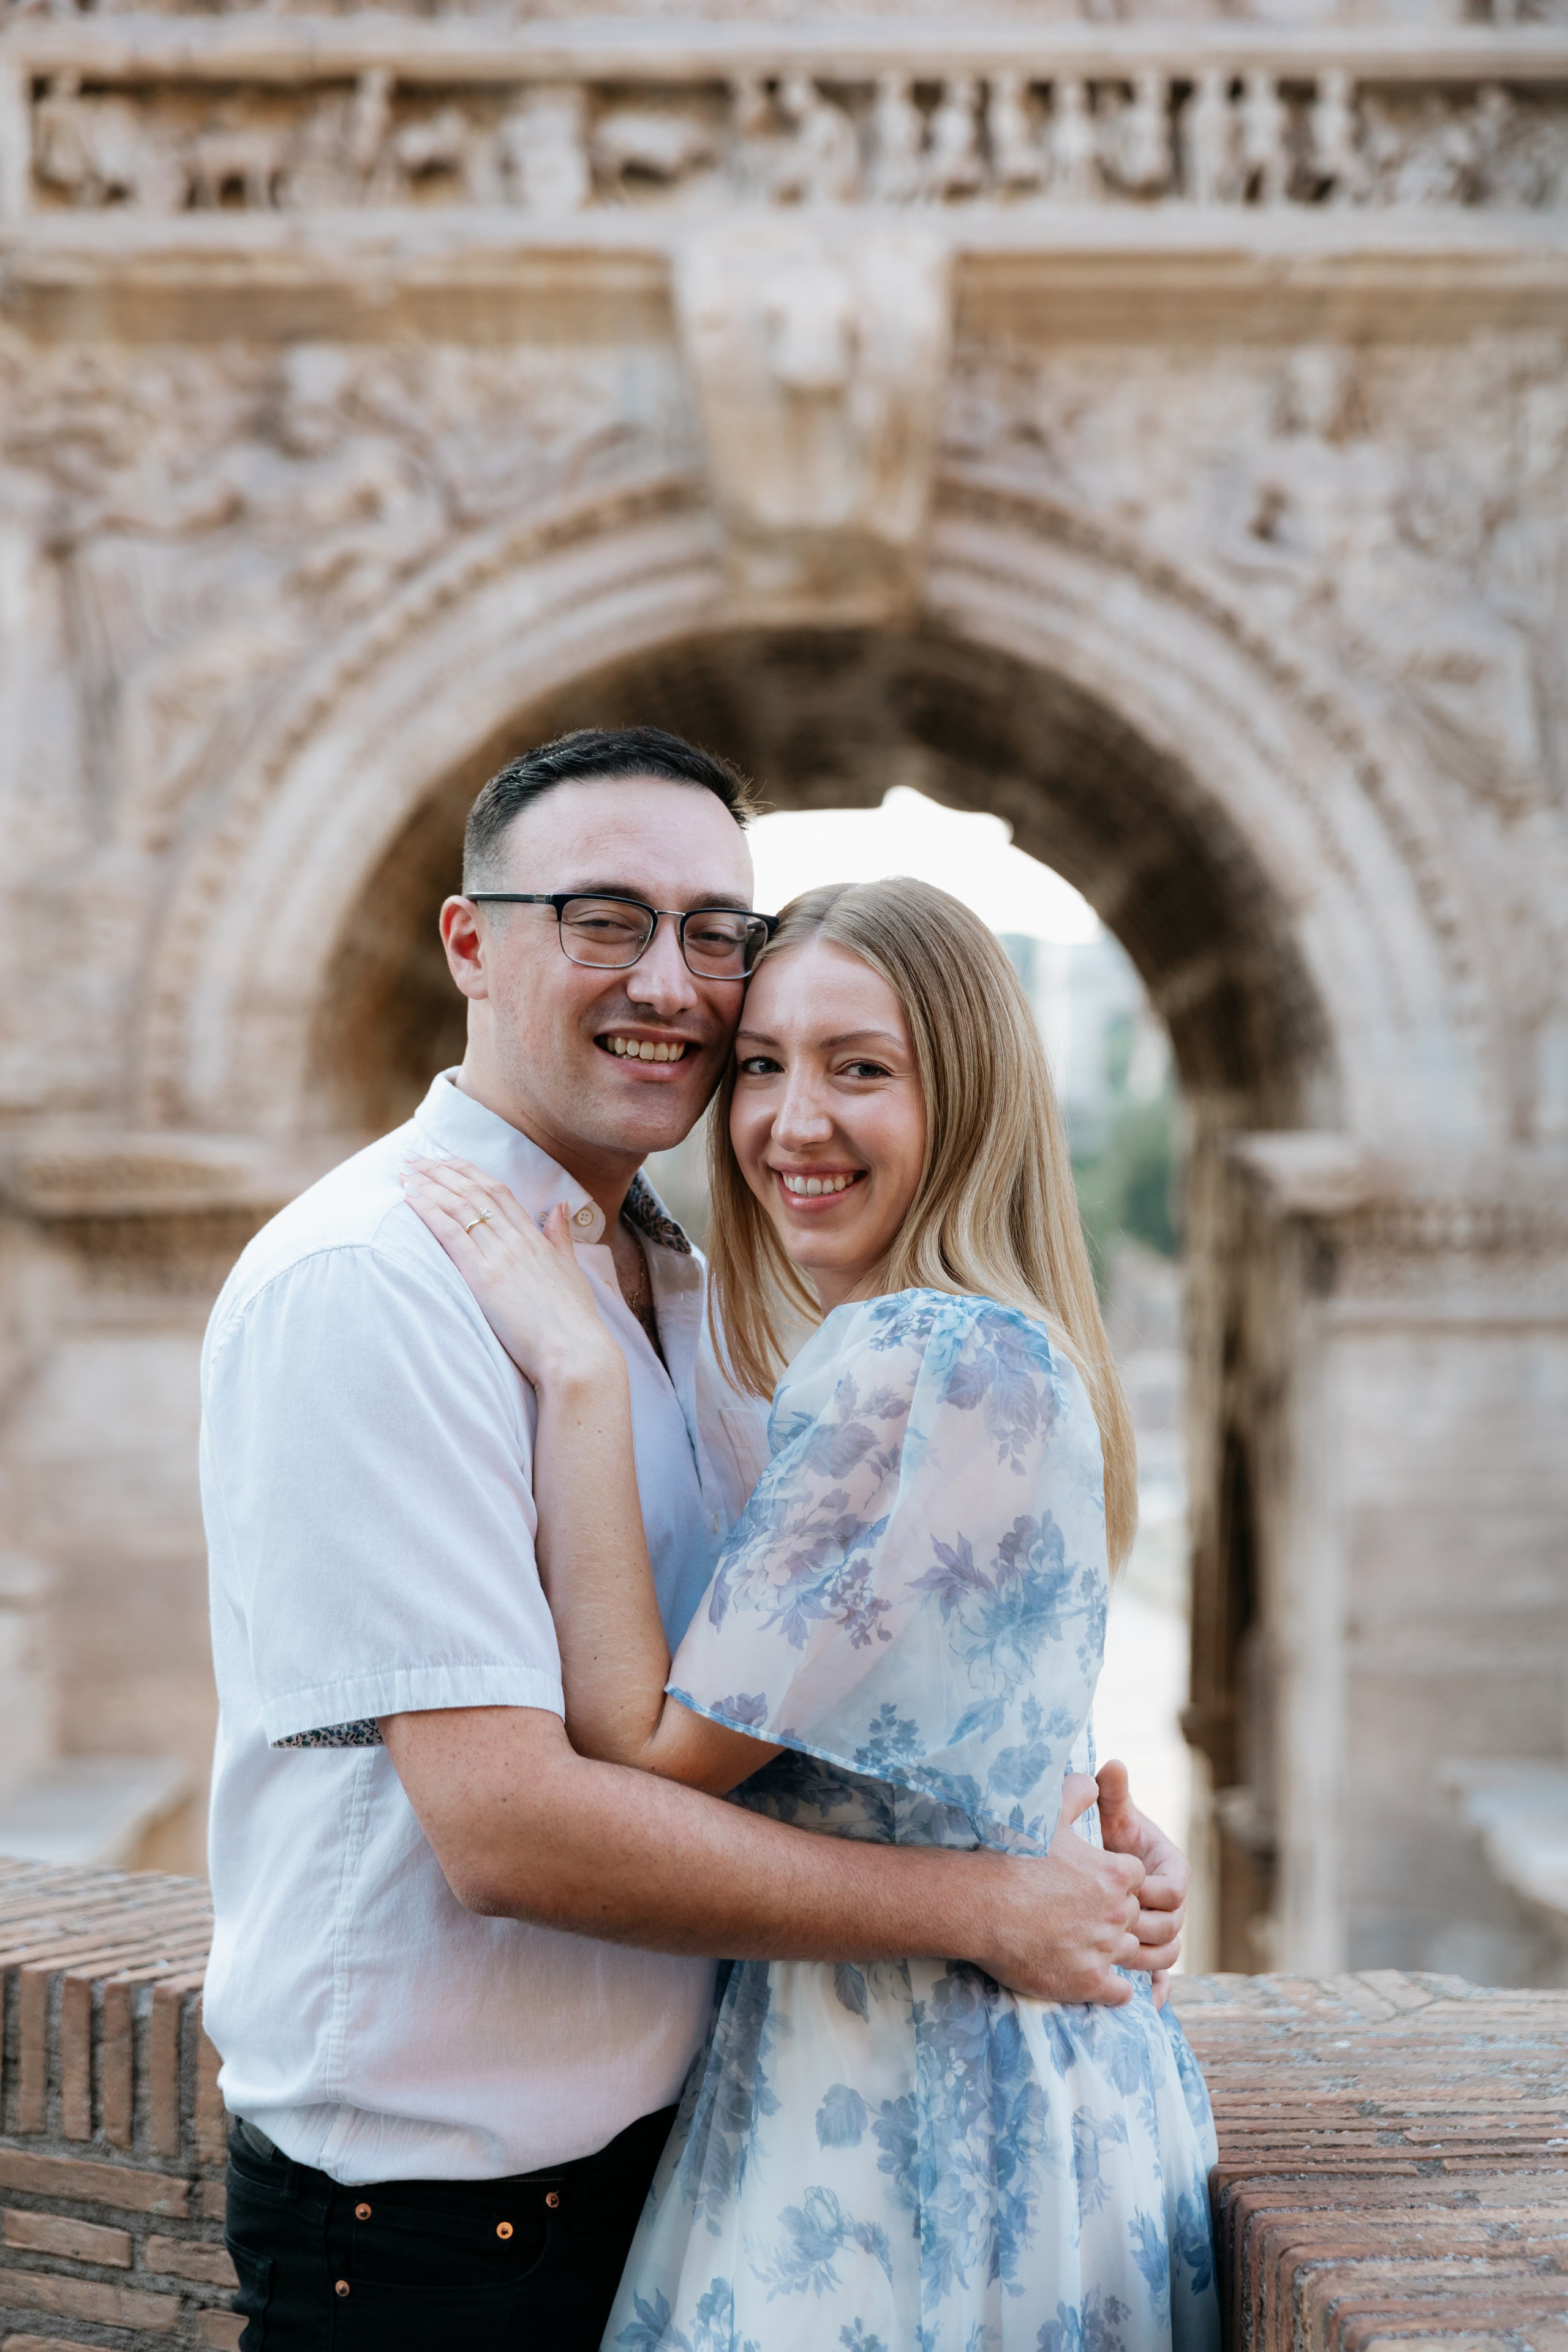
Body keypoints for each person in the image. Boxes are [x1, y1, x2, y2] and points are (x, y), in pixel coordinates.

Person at [202, 728, 1194, 2351]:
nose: (671, 980)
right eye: (603, 919)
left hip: (716, 2175)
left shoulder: (711, 1294)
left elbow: (830, 1686)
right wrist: (995, 1899)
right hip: (449, 2244)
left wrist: (1039, 1832)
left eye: (711, 934)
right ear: (471, 942)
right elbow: (515, 1830)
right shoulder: (372, 1282)